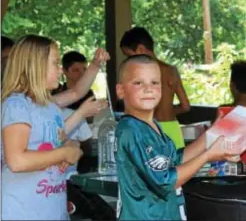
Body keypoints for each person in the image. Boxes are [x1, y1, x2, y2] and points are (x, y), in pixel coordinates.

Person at [114, 54, 240, 220]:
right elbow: (165, 182)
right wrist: (208, 156)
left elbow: (176, 161)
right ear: (121, 90)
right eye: (138, 83)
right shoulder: (131, 130)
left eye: (155, 82)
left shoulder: (153, 126)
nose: (148, 88)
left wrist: (212, 134)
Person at [1, 34, 109, 220]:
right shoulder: (17, 105)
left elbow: (76, 93)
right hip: (23, 212)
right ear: (35, 66)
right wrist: (64, 153)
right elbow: (17, 161)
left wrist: (95, 65)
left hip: (51, 208)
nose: (60, 70)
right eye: (56, 64)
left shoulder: (48, 105)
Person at [120, 27, 190, 149]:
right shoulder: (171, 71)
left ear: (141, 48)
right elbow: (185, 106)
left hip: (151, 130)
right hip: (173, 129)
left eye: (129, 56)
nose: (128, 61)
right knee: (177, 167)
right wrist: (167, 110)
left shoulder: (140, 74)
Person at [61, 107, 116, 220]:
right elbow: (87, 148)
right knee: (105, 215)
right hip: (67, 182)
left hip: (63, 183)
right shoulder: (72, 113)